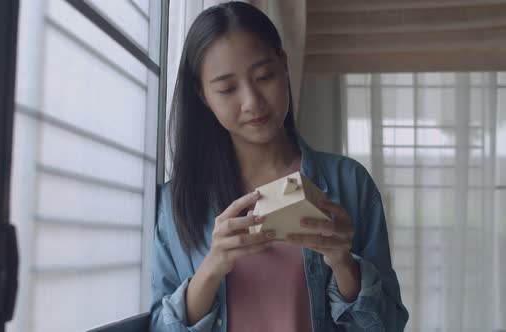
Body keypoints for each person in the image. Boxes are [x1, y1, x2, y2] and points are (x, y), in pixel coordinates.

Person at [150, 2, 408, 331]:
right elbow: (158, 325)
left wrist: (343, 263)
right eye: (228, 89)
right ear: (202, 95)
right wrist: (212, 268)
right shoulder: (176, 204)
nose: (252, 101)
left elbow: (388, 325)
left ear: (284, 65)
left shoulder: (349, 183)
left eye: (264, 76)